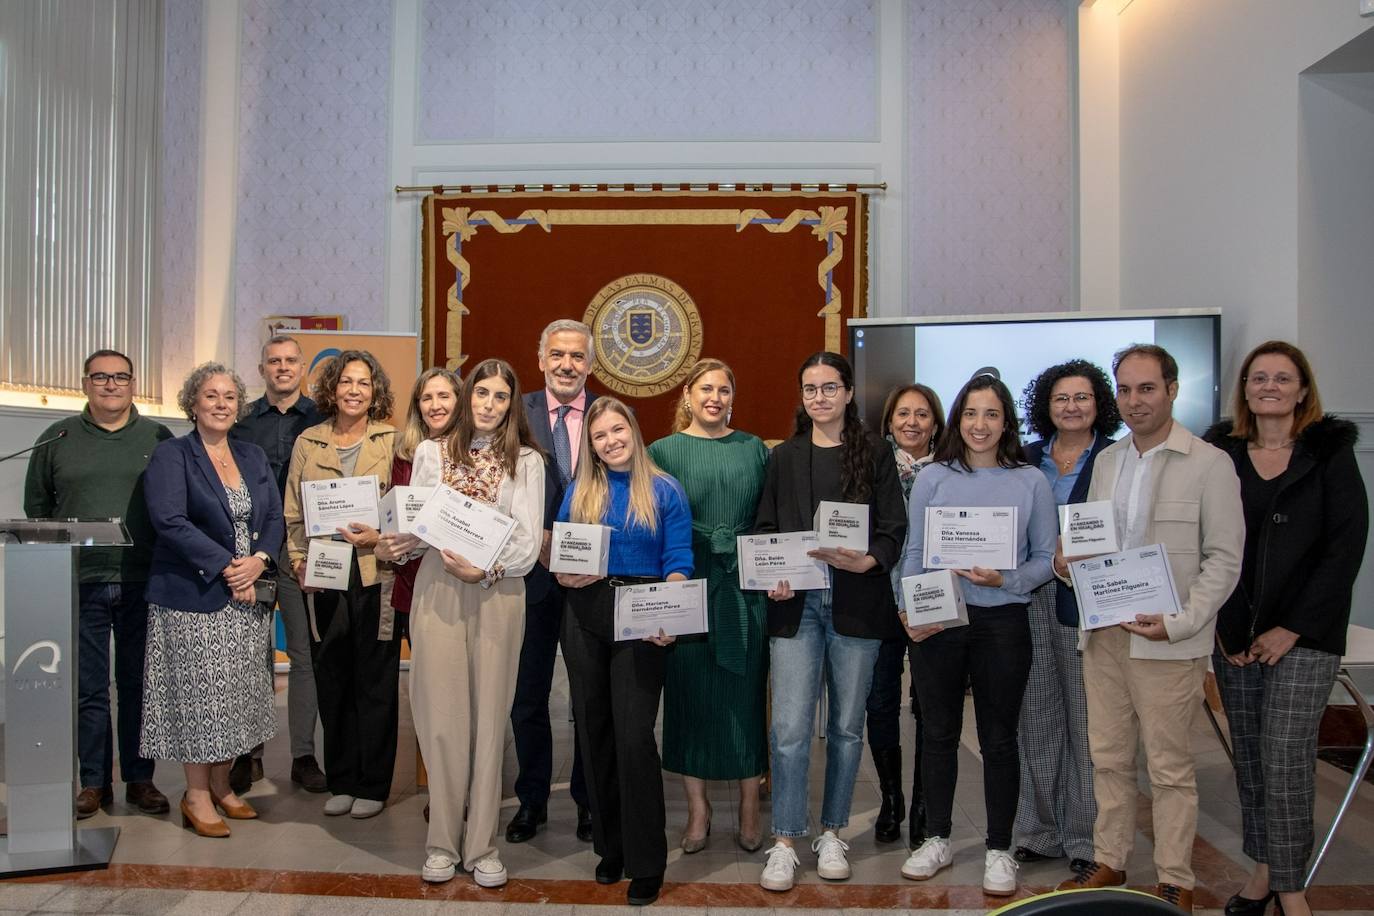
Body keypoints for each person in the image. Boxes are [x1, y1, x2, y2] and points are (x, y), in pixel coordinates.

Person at [1056, 344, 1243, 914]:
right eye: (1125, 389)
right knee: (1109, 757)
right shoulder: (1108, 461)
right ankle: (1109, 859)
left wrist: (1181, 623)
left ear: (1172, 390)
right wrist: (1068, 564)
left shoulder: (1210, 464)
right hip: (1106, 636)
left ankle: (1175, 879)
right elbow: (1092, 546)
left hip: (1167, 641)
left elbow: (1224, 560)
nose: (1134, 401)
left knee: (1168, 768)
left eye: (1147, 388)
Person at [1203, 341, 1367, 916]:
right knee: (1251, 759)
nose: (1269, 386)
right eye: (1258, 377)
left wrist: (1290, 628)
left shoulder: (1329, 454)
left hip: (1305, 637)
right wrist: (1224, 628)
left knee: (1286, 757)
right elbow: (1205, 544)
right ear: (1245, 389)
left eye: (1282, 378)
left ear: (1302, 391)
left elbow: (1344, 550)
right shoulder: (1220, 453)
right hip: (1235, 636)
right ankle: (1264, 872)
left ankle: (1291, 890)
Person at [376, 359, 544, 887]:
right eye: (481, 393)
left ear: (512, 404)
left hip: (499, 588)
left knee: (490, 720)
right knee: (442, 717)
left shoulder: (528, 461)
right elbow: (419, 525)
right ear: (468, 397)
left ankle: (483, 847)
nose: (489, 404)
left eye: (500, 396)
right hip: (439, 584)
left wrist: (486, 568)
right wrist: (394, 543)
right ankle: (442, 844)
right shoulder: (432, 451)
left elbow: (527, 540)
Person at [899, 370, 1057, 897]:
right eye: (970, 413)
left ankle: (999, 848)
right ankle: (937, 838)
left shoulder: (1030, 481)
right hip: (940, 618)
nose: (980, 424)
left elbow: (1045, 559)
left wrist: (1003, 580)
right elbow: (915, 552)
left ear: (1006, 421)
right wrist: (909, 608)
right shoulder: (933, 477)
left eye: (991, 414)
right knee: (938, 732)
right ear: (957, 419)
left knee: (999, 737)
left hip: (1002, 622)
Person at [753, 351, 906, 893]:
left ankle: (833, 832)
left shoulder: (876, 453)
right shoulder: (784, 457)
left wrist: (869, 561)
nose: (819, 397)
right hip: (796, 606)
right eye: (810, 388)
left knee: (845, 728)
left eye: (829, 387)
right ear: (802, 397)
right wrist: (773, 573)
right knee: (790, 728)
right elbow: (765, 528)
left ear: (848, 393)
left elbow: (893, 528)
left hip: (857, 604)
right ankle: (785, 841)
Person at [23, 349, 173, 819]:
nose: (111, 385)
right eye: (101, 377)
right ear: (85, 383)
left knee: (136, 685)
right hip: (81, 579)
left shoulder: (158, 438)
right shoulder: (57, 437)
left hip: (142, 579)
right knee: (89, 688)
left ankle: (140, 779)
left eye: (121, 377)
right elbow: (36, 507)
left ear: (133, 384)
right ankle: (93, 782)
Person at [556, 397, 693, 906]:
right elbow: (563, 551)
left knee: (634, 737)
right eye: (600, 436)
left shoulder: (664, 489)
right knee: (593, 732)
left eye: (618, 430)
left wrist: (669, 612)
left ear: (633, 431)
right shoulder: (579, 490)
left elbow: (679, 559)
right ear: (590, 446)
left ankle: (646, 861)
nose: (611, 441)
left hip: (643, 612)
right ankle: (610, 846)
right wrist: (564, 572)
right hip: (585, 614)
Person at [140, 363, 281, 837]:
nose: (221, 404)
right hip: (192, 596)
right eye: (211, 395)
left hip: (246, 597)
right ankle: (196, 795)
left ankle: (222, 786)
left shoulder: (252, 455)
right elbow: (169, 519)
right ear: (193, 404)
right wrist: (227, 566)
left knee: (234, 696)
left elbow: (274, 517)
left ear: (239, 406)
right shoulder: (173, 455)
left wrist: (259, 560)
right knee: (200, 699)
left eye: (229, 396)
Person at [648, 359, 770, 854]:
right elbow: (654, 523)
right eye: (705, 388)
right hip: (686, 583)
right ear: (688, 395)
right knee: (689, 698)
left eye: (723, 390)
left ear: (732, 398)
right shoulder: (662, 452)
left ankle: (749, 805)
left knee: (745, 698)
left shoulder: (754, 449)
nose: (714, 397)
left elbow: (769, 520)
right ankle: (698, 810)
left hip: (744, 586)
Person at [1011, 360, 1119, 871]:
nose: (1071, 407)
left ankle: (1084, 839)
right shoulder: (1025, 459)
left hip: (1088, 604)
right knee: (1036, 717)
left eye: (1081, 397)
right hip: (1028, 599)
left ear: (1099, 403)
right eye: (1061, 398)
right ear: (1045, 406)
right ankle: (1038, 830)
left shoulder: (1116, 459)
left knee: (1084, 721)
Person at [283, 350, 398, 819]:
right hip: (324, 572)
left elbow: (403, 506)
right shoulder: (308, 441)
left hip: (375, 571)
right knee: (332, 675)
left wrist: (380, 537)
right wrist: (298, 563)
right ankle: (343, 779)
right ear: (332, 389)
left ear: (375, 392)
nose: (354, 390)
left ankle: (373, 784)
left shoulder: (392, 440)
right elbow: (293, 512)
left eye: (364, 383)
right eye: (347, 381)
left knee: (375, 679)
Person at [507, 318, 597, 844]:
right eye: (557, 355)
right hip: (532, 577)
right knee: (527, 696)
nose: (567, 365)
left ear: (590, 364)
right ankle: (532, 799)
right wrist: (532, 537)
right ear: (541, 360)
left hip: (589, 580)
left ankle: (588, 801)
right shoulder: (516, 414)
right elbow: (498, 486)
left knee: (587, 697)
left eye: (577, 356)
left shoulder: (610, 416)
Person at [228, 334, 325, 794]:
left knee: (303, 654)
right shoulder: (240, 421)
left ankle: (304, 755)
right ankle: (249, 755)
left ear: (303, 368)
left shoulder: (322, 419)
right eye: (273, 361)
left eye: (290, 361)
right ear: (261, 369)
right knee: (251, 654)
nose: (282, 367)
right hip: (248, 551)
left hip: (301, 549)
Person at [865, 382, 944, 847]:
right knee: (880, 701)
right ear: (889, 421)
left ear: (935, 424)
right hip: (879, 597)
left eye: (922, 414)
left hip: (933, 600)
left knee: (930, 705)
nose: (912, 423)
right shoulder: (870, 466)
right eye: (903, 414)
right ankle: (891, 799)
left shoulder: (953, 470)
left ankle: (923, 804)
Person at [384, 367, 461, 625]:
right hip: (413, 580)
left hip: (459, 578)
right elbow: (399, 520)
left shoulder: (475, 454)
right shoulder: (405, 453)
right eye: (427, 398)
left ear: (460, 401)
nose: (435, 405)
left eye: (444, 396)